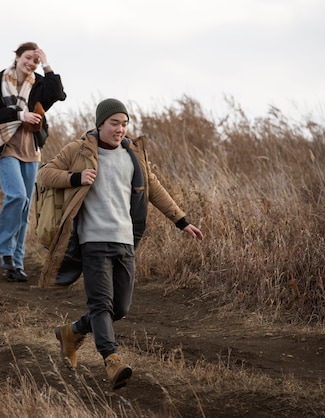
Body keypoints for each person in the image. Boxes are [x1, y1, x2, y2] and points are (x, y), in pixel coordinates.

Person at [39, 98, 204, 390]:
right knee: (101, 304)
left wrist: (182, 221)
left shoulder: (133, 155)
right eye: (114, 123)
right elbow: (45, 174)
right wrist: (75, 177)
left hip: (125, 240)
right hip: (92, 239)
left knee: (120, 308)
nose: (120, 129)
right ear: (100, 124)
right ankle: (111, 360)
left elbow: (155, 189)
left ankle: (72, 332)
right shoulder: (78, 150)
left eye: (124, 123)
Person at [0, 42, 66, 282]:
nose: (31, 63)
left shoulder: (38, 84)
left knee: (26, 205)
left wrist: (47, 63)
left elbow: (58, 93)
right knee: (17, 196)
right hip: (6, 147)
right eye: (28, 58)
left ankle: (17, 262)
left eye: (35, 61)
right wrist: (20, 115)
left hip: (31, 150)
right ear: (17, 58)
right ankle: (5, 252)